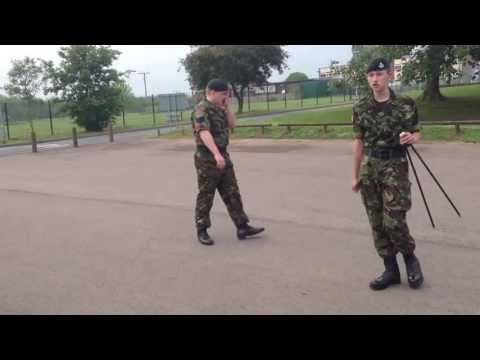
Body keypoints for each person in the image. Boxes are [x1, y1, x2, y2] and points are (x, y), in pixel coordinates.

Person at [351, 58, 424, 290]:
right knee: (377, 222)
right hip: (370, 167)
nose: (375, 79)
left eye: (379, 74)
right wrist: (355, 175)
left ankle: (411, 260)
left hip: (395, 164)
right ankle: (390, 270)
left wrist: (412, 138)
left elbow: (416, 133)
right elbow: (358, 141)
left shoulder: (405, 103)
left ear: (390, 75)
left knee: (394, 221)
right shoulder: (361, 107)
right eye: (371, 75)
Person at [192, 79, 265, 246]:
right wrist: (216, 155)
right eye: (223, 94)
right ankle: (202, 230)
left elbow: (232, 125)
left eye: (227, 94)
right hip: (207, 157)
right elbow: (204, 133)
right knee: (206, 194)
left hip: (223, 154)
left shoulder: (220, 108)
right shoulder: (201, 108)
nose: (225, 97)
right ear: (211, 92)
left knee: (232, 192)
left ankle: (242, 226)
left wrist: (228, 107)